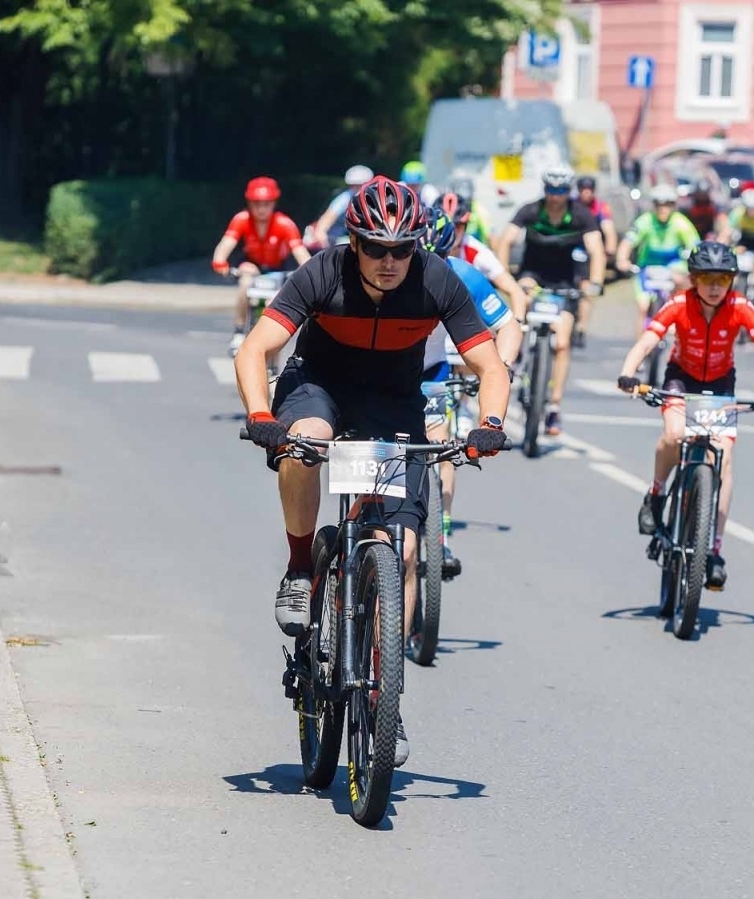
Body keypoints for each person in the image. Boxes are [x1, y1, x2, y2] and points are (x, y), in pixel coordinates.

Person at [236, 177, 510, 768]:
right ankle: (300, 564)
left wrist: (489, 422)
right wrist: (261, 415)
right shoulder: (321, 273)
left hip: (393, 398)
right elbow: (254, 349)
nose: (390, 262)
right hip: (320, 384)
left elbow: (490, 364)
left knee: (400, 551)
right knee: (303, 444)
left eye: (403, 249)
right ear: (353, 241)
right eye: (376, 248)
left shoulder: (437, 279)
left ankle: (386, 700)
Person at [615, 242, 754, 590]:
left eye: (722, 279)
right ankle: (655, 493)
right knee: (675, 434)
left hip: (721, 383)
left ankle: (713, 550)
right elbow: (648, 341)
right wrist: (629, 373)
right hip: (681, 378)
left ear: (732, 281)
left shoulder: (740, 306)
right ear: (694, 279)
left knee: (724, 459)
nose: (714, 286)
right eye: (707, 278)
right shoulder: (679, 303)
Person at [420, 212, 522, 578]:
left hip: (433, 371)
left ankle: (441, 535)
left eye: (440, 259)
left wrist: (502, 368)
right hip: (385, 370)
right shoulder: (384, 273)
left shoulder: (462, 275)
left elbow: (508, 325)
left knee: (441, 448)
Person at [493, 166, 607, 438]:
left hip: (565, 281)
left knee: (563, 341)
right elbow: (506, 240)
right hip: (533, 275)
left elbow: (596, 249)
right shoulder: (530, 210)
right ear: (544, 190)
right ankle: (517, 359)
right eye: (551, 190)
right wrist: (504, 274)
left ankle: (554, 405)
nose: (556, 197)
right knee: (521, 309)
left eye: (561, 191)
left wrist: (596, 282)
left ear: (569, 192)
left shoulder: (580, 214)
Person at [211, 176, 313, 354]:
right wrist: (220, 262)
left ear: (274, 203)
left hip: (279, 269)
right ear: (249, 203)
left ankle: (271, 338)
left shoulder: (284, 223)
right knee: (245, 282)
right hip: (252, 265)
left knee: (274, 300)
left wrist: (309, 272)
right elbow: (227, 242)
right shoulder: (241, 219)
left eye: (266, 204)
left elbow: (300, 251)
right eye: (256, 204)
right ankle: (239, 331)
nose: (261, 209)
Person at [615, 185, 701, 332]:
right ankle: (641, 346)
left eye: (668, 205)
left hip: (672, 267)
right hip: (647, 269)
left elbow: (696, 246)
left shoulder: (681, 222)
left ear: (673, 206)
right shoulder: (645, 221)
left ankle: (678, 312)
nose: (663, 209)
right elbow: (628, 241)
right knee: (643, 307)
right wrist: (621, 259)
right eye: (659, 205)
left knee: (683, 281)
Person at [440, 191, 527, 323]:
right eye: (445, 226)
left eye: (457, 225)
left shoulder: (476, 251)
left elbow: (515, 291)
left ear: (466, 226)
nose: (451, 231)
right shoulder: (421, 248)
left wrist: (518, 324)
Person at [573, 176, 617, 348]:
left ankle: (581, 328)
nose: (586, 193)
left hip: (590, 251)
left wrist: (611, 248)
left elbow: (609, 229)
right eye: (583, 189)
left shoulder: (600, 207)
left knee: (586, 290)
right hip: (571, 249)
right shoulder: (572, 205)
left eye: (589, 190)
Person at [306, 164, 374, 248]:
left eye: (361, 185)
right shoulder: (345, 198)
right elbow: (327, 218)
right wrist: (321, 233)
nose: (357, 188)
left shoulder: (375, 198)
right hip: (338, 238)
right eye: (354, 185)